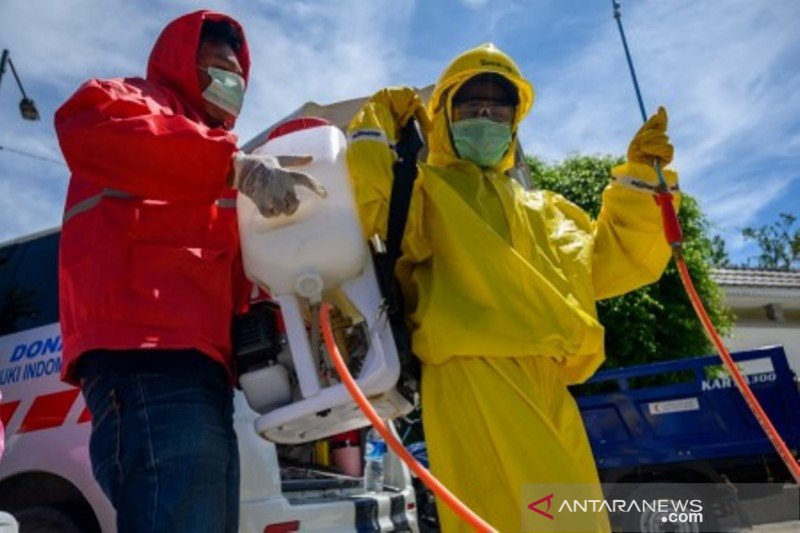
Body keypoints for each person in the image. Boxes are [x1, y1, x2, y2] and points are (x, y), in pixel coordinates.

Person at [346, 43, 680, 532]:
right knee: (531, 518)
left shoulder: (542, 209)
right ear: (443, 115)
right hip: (474, 370)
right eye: (470, 103)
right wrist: (375, 123)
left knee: (567, 515)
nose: (485, 113)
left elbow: (609, 262)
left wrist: (640, 180)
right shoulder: (423, 190)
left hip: (549, 378)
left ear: (515, 118)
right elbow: (371, 208)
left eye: (497, 105)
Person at [54, 10, 323, 532]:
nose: (234, 83)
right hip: (144, 355)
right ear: (183, 64)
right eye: (220, 67)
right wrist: (231, 164)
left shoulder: (219, 164)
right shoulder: (132, 101)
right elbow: (87, 128)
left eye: (240, 74)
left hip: (202, 369)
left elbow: (233, 274)